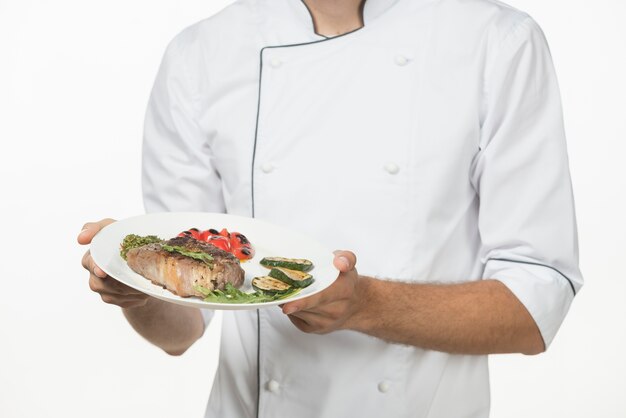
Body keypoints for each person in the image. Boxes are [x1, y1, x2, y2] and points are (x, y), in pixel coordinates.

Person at [78, 0, 584, 417]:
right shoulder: (201, 56)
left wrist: (366, 304)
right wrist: (139, 291)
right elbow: (181, 331)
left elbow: (534, 308)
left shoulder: (495, 42)